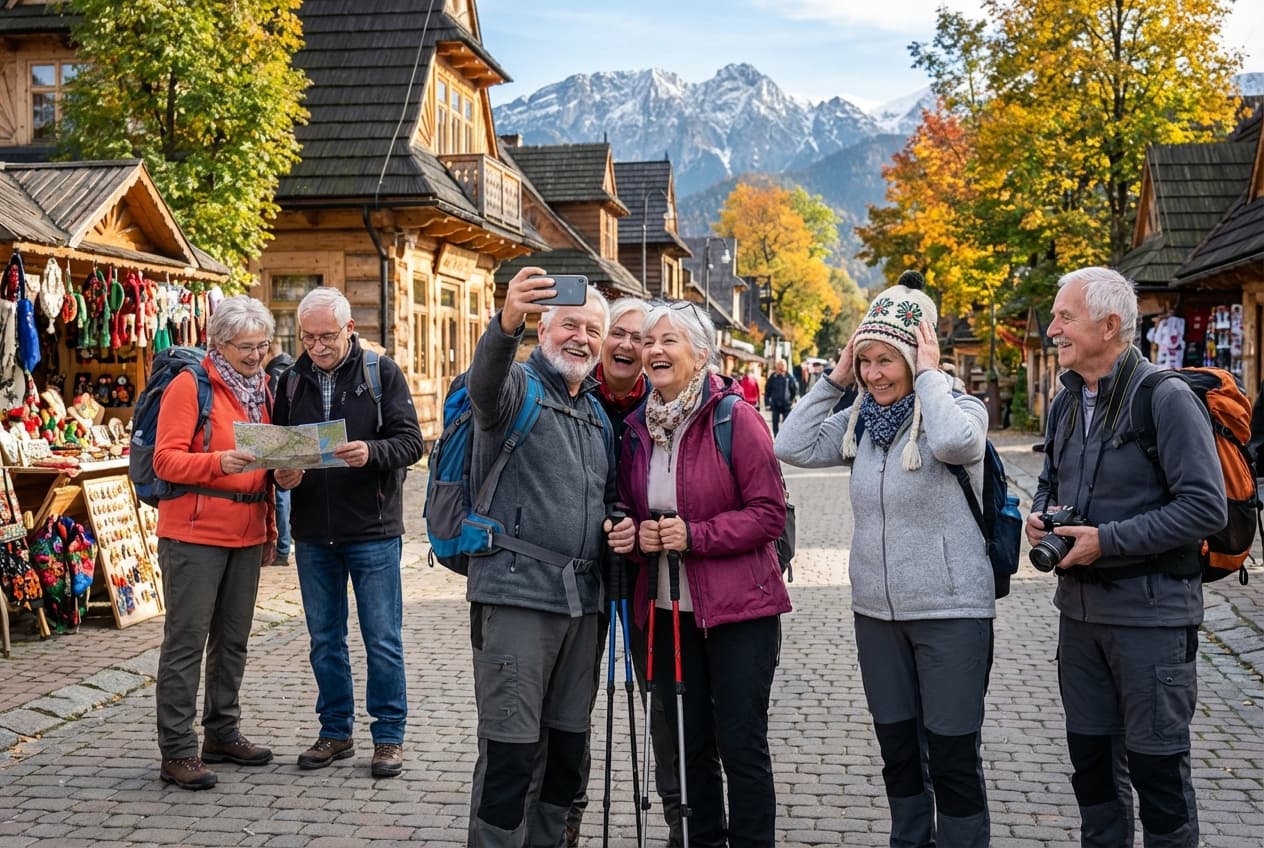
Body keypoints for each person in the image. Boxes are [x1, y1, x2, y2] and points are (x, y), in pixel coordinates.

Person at [775, 271, 995, 846]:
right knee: (898, 753)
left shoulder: (962, 410)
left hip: (951, 613)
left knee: (951, 757)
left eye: (885, 360)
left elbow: (953, 445)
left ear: (913, 355)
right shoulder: (859, 426)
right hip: (876, 614)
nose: (873, 374)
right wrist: (834, 378)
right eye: (865, 360)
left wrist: (929, 375)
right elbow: (790, 445)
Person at [1030, 267, 1225, 847]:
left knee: (1158, 779)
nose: (1052, 329)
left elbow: (1205, 508)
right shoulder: (1066, 404)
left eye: (1065, 317)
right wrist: (1045, 516)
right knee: (1092, 776)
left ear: (1110, 324)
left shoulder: (1165, 399)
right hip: (1081, 620)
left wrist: (1106, 541)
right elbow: (1048, 483)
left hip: (1152, 622)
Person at [609, 299, 791, 848]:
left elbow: (769, 515)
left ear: (702, 354)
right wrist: (630, 531)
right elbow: (624, 503)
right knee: (690, 747)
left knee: (741, 744)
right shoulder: (638, 427)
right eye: (649, 342)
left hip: (739, 611)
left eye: (669, 341)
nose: (654, 351)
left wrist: (695, 536)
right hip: (665, 612)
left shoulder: (736, 418)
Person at [464, 267, 618, 846]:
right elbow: (483, 382)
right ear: (542, 330)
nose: (581, 338)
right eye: (569, 325)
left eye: (593, 330)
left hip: (582, 606)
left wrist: (619, 521)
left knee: (565, 755)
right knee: (510, 754)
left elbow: (604, 497)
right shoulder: (516, 390)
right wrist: (506, 322)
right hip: (516, 596)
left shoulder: (596, 414)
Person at [271, 287, 425, 779]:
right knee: (324, 639)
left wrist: (371, 452)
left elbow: (411, 442)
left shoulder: (381, 373)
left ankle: (388, 738)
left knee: (382, 638)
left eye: (327, 337)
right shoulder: (291, 381)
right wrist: (282, 474)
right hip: (314, 532)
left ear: (349, 328)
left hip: (373, 530)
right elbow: (279, 448)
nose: (317, 346)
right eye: (309, 337)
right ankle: (335, 732)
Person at [152, 295, 290, 789]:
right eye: (247, 347)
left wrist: (285, 480)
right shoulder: (190, 387)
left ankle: (222, 731)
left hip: (247, 531)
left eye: (264, 345)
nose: (257, 355)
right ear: (219, 344)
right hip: (194, 532)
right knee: (187, 642)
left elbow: (269, 467)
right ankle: (178, 750)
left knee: (233, 640)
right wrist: (217, 463)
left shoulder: (265, 390)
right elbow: (164, 461)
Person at [566, 297, 683, 848]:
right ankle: (567, 814)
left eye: (641, 338)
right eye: (618, 333)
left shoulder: (660, 408)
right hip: (579, 573)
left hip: (643, 576)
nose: (627, 345)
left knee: (661, 700)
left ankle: (678, 817)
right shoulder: (569, 392)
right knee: (572, 704)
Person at [263, 345, 295, 566]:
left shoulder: (275, 373)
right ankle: (283, 546)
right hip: (290, 440)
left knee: (281, 495)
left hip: (279, 441)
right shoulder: (291, 369)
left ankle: (282, 548)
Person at [764, 358, 797, 436]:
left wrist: (791, 399)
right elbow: (767, 390)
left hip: (786, 405)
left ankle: (784, 438)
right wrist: (767, 403)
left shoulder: (789, 377)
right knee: (775, 423)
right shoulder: (773, 377)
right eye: (779, 368)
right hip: (775, 405)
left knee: (786, 424)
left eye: (782, 368)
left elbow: (793, 389)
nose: (781, 371)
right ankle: (776, 438)